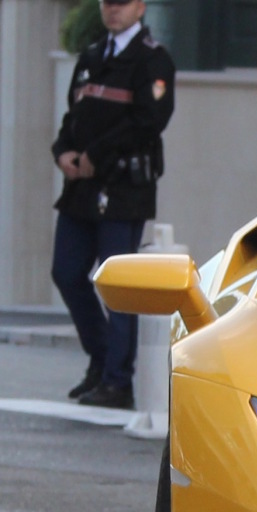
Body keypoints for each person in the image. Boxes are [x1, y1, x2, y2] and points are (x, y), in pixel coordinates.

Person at [51, 0, 175, 409]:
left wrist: (96, 156)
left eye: (122, 4)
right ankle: (102, 361)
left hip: (123, 189)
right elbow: (75, 116)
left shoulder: (152, 60)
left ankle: (118, 381)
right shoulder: (91, 56)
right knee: (67, 272)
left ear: (140, 7)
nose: (113, 10)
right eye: (107, 3)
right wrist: (64, 151)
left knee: (118, 287)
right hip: (82, 189)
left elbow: (148, 122)